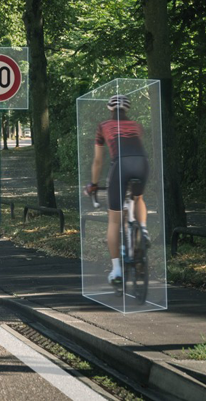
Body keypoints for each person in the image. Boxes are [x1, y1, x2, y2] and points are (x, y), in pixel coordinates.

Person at [84, 94, 149, 286]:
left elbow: (98, 160)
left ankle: (117, 270)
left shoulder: (103, 126)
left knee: (114, 221)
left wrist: (93, 184)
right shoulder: (137, 126)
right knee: (138, 198)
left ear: (109, 108)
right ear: (127, 109)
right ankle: (143, 230)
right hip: (142, 164)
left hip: (120, 166)